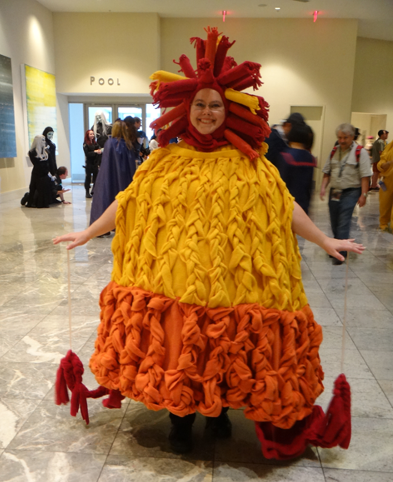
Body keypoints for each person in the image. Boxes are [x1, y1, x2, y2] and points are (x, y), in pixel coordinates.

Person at [54, 28, 364, 458]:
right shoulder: (164, 160)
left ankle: (218, 411)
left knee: (224, 347)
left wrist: (323, 238)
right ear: (187, 108)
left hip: (234, 280)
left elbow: (283, 205)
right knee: (180, 346)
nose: (206, 112)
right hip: (176, 280)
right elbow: (128, 201)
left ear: (228, 109)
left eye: (214, 105)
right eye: (199, 104)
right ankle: (180, 421)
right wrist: (89, 231)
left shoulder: (251, 162)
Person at [320, 123, 371, 265]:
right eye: (339, 137)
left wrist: (364, 195)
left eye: (345, 138)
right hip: (335, 191)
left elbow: (365, 176)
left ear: (352, 136)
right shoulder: (334, 150)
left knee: (343, 220)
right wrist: (323, 187)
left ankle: (340, 254)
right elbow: (327, 171)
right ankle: (336, 246)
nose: (341, 141)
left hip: (351, 191)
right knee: (334, 220)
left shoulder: (360, 152)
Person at [90, 120, 135, 226]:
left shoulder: (109, 143)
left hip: (107, 175)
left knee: (105, 197)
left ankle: (102, 225)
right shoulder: (126, 144)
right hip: (123, 177)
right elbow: (130, 164)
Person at [279, 123, 317, 214]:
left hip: (286, 203)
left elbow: (281, 182)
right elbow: (310, 186)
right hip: (303, 204)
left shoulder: (286, 156)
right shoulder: (311, 158)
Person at [21, 135, 53, 208]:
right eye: (42, 140)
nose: (44, 142)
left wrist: (49, 172)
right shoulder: (32, 152)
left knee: (44, 189)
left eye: (44, 140)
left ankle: (42, 203)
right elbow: (36, 164)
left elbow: (49, 162)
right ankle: (29, 200)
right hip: (37, 173)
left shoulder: (46, 151)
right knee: (34, 188)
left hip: (44, 173)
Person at [377, 139, 393, 232]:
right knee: (385, 204)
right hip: (387, 180)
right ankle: (383, 223)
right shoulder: (389, 147)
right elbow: (382, 161)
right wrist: (386, 164)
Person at [83, 130, 101, 198]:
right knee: (88, 178)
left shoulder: (95, 143)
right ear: (87, 135)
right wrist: (95, 152)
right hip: (89, 163)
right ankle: (87, 192)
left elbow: (99, 149)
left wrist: (99, 151)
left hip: (95, 163)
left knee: (96, 178)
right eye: (91, 134)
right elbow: (87, 154)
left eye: (93, 134)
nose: (92, 135)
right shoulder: (85, 144)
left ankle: (94, 191)